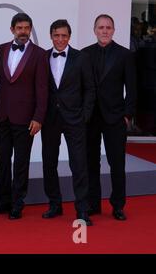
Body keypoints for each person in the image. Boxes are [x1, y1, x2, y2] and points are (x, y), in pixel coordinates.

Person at [0, 13, 49, 220]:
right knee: (1, 160)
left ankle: (17, 203)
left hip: (26, 119)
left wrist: (39, 117)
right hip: (2, 116)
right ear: (12, 29)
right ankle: (3, 201)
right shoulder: (1, 49)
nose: (23, 31)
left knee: (21, 162)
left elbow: (42, 88)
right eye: (20, 28)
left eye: (27, 28)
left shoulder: (40, 54)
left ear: (30, 29)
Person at [82, 14, 137, 221]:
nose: (104, 31)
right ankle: (93, 204)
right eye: (101, 27)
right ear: (94, 30)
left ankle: (118, 205)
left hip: (115, 118)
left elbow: (132, 88)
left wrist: (127, 115)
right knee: (91, 163)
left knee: (117, 163)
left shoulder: (125, 55)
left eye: (108, 27)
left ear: (113, 30)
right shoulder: (85, 54)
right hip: (91, 118)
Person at [40, 19, 95, 225]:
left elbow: (90, 89)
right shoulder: (43, 57)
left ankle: (82, 209)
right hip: (50, 119)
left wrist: (84, 116)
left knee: (79, 164)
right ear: (51, 36)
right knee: (49, 163)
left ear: (69, 37)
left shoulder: (81, 58)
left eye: (64, 35)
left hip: (75, 120)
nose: (60, 39)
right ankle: (55, 205)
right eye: (56, 35)